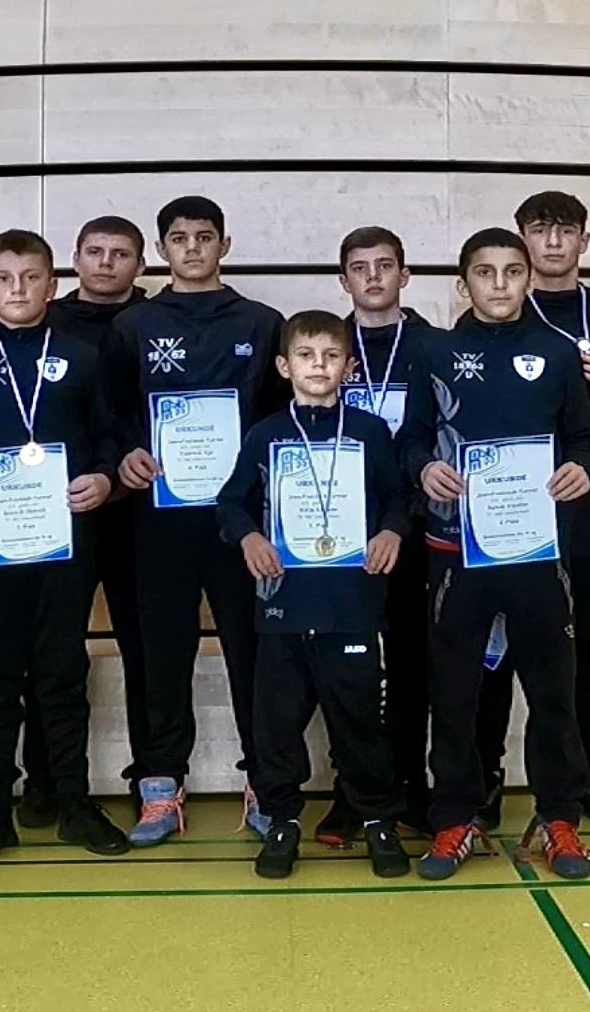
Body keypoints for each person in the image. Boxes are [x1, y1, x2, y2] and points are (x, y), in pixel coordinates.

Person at [397, 228, 590, 881]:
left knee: (553, 690)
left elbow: (584, 438)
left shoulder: (557, 351)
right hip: (456, 550)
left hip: (536, 549)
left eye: (513, 271)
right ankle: (455, 816)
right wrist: (424, 468)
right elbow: (411, 438)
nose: (501, 284)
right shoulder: (433, 350)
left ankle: (558, 815)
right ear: (464, 285)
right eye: (486, 273)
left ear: (528, 278)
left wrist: (581, 469)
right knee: (454, 693)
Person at [0, 229, 128, 865]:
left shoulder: (81, 355)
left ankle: (72, 802)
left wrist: (104, 478)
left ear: (52, 284)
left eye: (31, 277)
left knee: (63, 672)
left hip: (64, 541)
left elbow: (110, 439)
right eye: (4, 279)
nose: (18, 289)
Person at [106, 196, 285, 846]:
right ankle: (160, 788)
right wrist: (125, 453)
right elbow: (112, 413)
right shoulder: (133, 325)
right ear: (161, 250)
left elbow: (280, 421)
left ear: (224, 245)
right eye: (178, 239)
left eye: (204, 237)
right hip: (158, 521)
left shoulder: (262, 323)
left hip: (240, 524)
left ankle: (268, 783)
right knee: (161, 655)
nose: (192, 248)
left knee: (253, 653)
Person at [217, 310, 412, 879]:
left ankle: (376, 820)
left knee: (360, 723)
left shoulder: (370, 432)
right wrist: (249, 536)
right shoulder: (266, 433)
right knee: (276, 726)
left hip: (351, 605)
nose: (319, 366)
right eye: (306, 355)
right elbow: (231, 501)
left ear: (348, 366)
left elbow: (398, 496)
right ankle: (281, 820)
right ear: (285, 366)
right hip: (284, 607)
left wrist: (391, 531)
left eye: (331, 356)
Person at [474, 192, 590, 831]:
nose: (551, 242)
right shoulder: (493, 316)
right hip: (506, 513)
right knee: (495, 652)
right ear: (521, 240)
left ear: (583, 242)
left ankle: (584, 778)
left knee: (588, 650)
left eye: (564, 231)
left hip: (587, 514)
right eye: (539, 231)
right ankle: (486, 780)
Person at [17, 216, 150, 827]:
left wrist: (118, 475)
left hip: (139, 510)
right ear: (74, 260)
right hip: (56, 511)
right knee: (52, 650)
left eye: (120, 253)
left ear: (140, 264)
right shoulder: (47, 323)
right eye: (94, 251)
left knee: (144, 648)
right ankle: (46, 780)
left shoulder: (154, 322)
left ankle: (152, 776)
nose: (106, 262)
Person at [311, 225, 434, 847]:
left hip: (417, 529)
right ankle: (350, 793)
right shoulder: (323, 350)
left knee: (413, 664)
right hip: (340, 535)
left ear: (404, 275)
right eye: (360, 268)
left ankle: (410, 786)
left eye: (385, 265)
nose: (374, 277)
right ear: (344, 280)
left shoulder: (435, 347)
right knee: (346, 669)